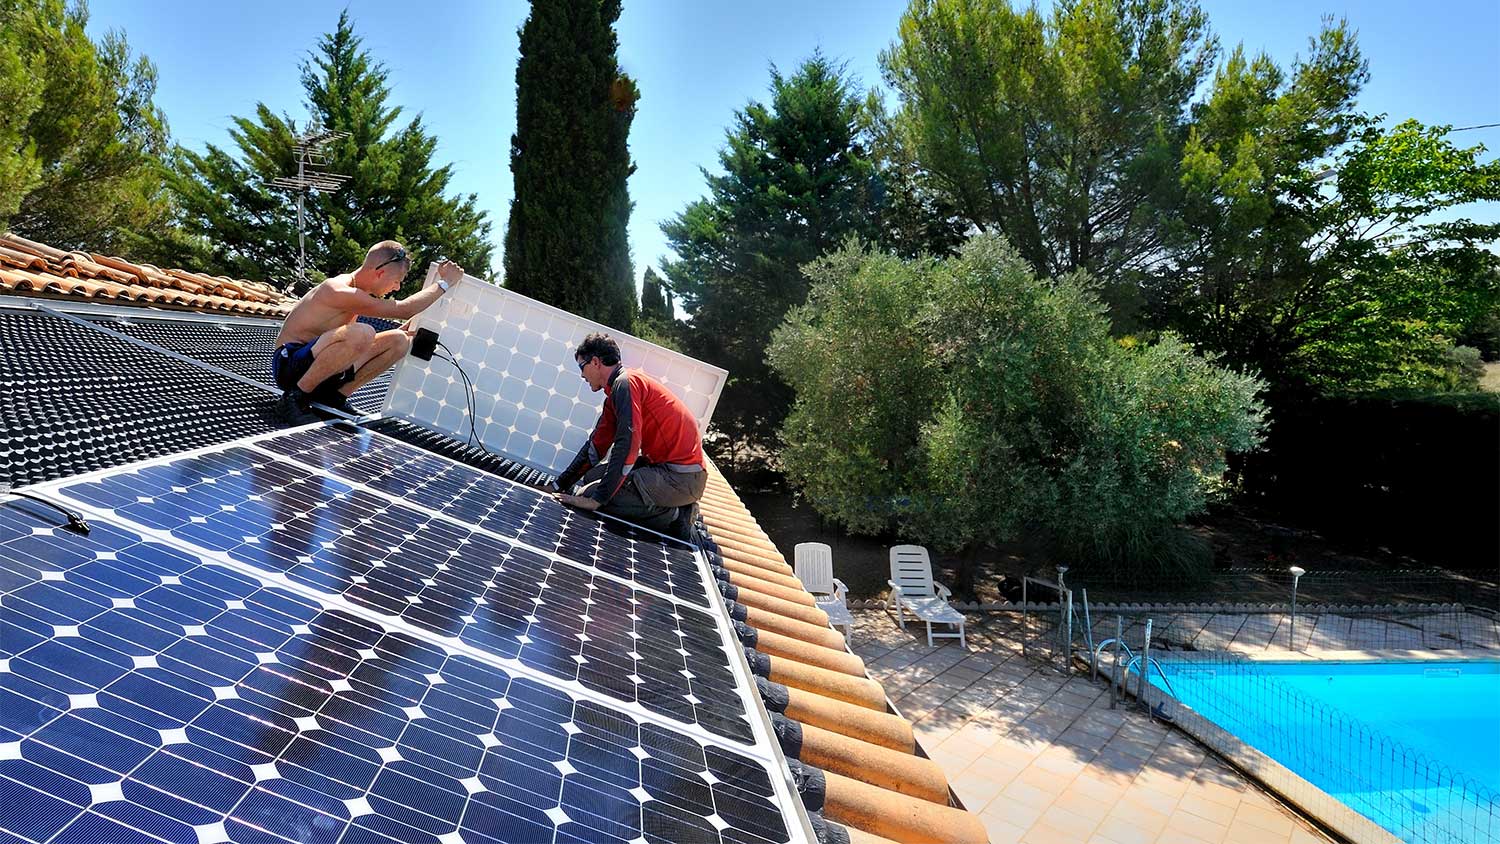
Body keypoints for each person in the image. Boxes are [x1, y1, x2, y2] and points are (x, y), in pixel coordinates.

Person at [271, 241, 463, 424]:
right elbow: (404, 310)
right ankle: (294, 399)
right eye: (397, 281)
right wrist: (445, 283)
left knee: (398, 340)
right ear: (380, 273)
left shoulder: (358, 292)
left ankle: (334, 398)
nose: (397, 287)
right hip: (290, 366)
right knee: (362, 333)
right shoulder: (337, 289)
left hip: (317, 363)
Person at [553, 333, 707, 534]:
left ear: (596, 362)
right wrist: (559, 485)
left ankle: (678, 515)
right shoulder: (615, 393)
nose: (582, 375)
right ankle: (665, 503)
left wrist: (597, 499)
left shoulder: (626, 384)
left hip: (681, 478)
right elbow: (596, 447)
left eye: (582, 367)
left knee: (589, 493)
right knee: (591, 476)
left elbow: (628, 445)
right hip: (662, 468)